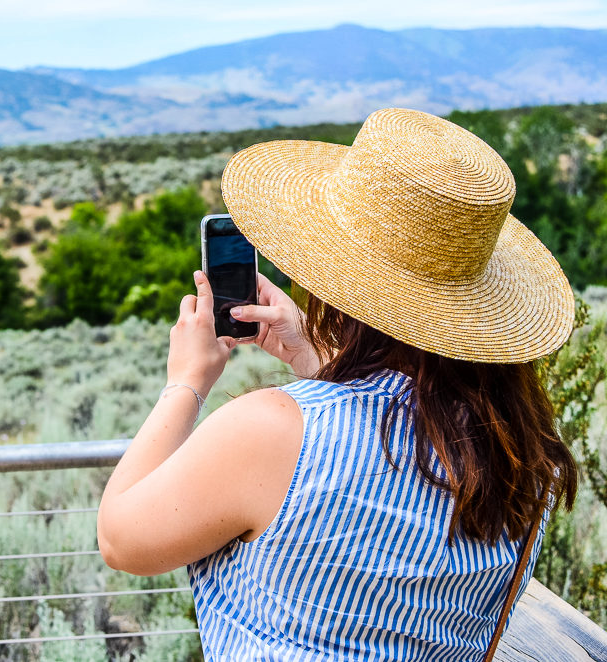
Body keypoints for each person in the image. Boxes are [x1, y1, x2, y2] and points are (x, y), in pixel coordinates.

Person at [97, 107, 578, 661]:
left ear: (335, 285)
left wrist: (186, 382)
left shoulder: (272, 431)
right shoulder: (523, 453)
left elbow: (120, 539)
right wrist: (316, 358)